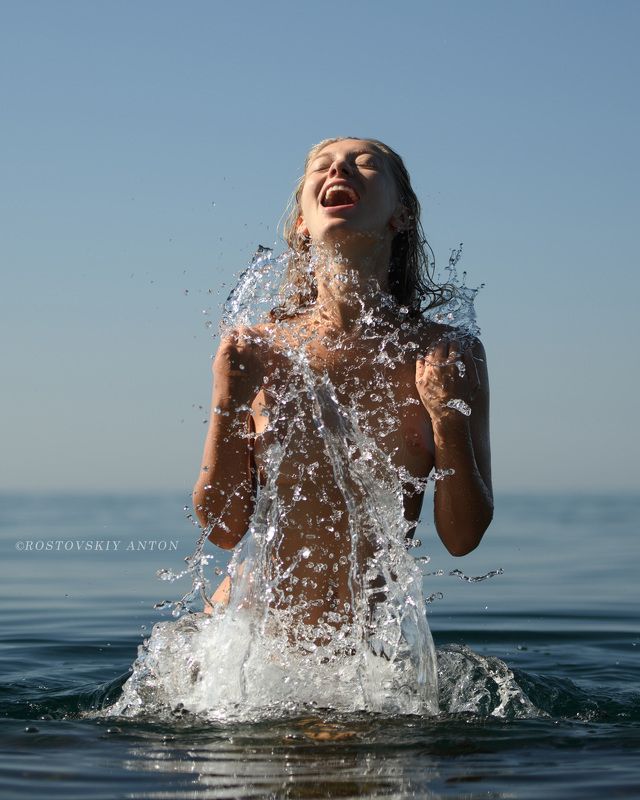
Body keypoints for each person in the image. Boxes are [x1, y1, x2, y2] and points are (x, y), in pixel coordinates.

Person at [192, 137, 493, 640]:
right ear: (301, 225)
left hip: (363, 654)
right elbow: (222, 530)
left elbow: (463, 538)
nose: (339, 171)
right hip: (244, 640)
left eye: (364, 164)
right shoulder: (259, 350)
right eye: (322, 167)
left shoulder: (446, 354)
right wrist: (228, 400)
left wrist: (448, 418)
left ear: (401, 216)